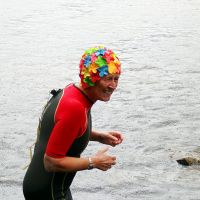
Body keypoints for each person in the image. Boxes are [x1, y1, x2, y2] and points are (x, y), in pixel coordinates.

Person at [23, 46, 123, 200]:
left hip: (41, 185)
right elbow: (51, 162)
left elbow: (63, 131)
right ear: (92, 78)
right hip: (49, 193)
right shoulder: (75, 108)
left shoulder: (72, 91)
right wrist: (93, 162)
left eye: (116, 78)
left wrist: (98, 136)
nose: (113, 85)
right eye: (108, 78)